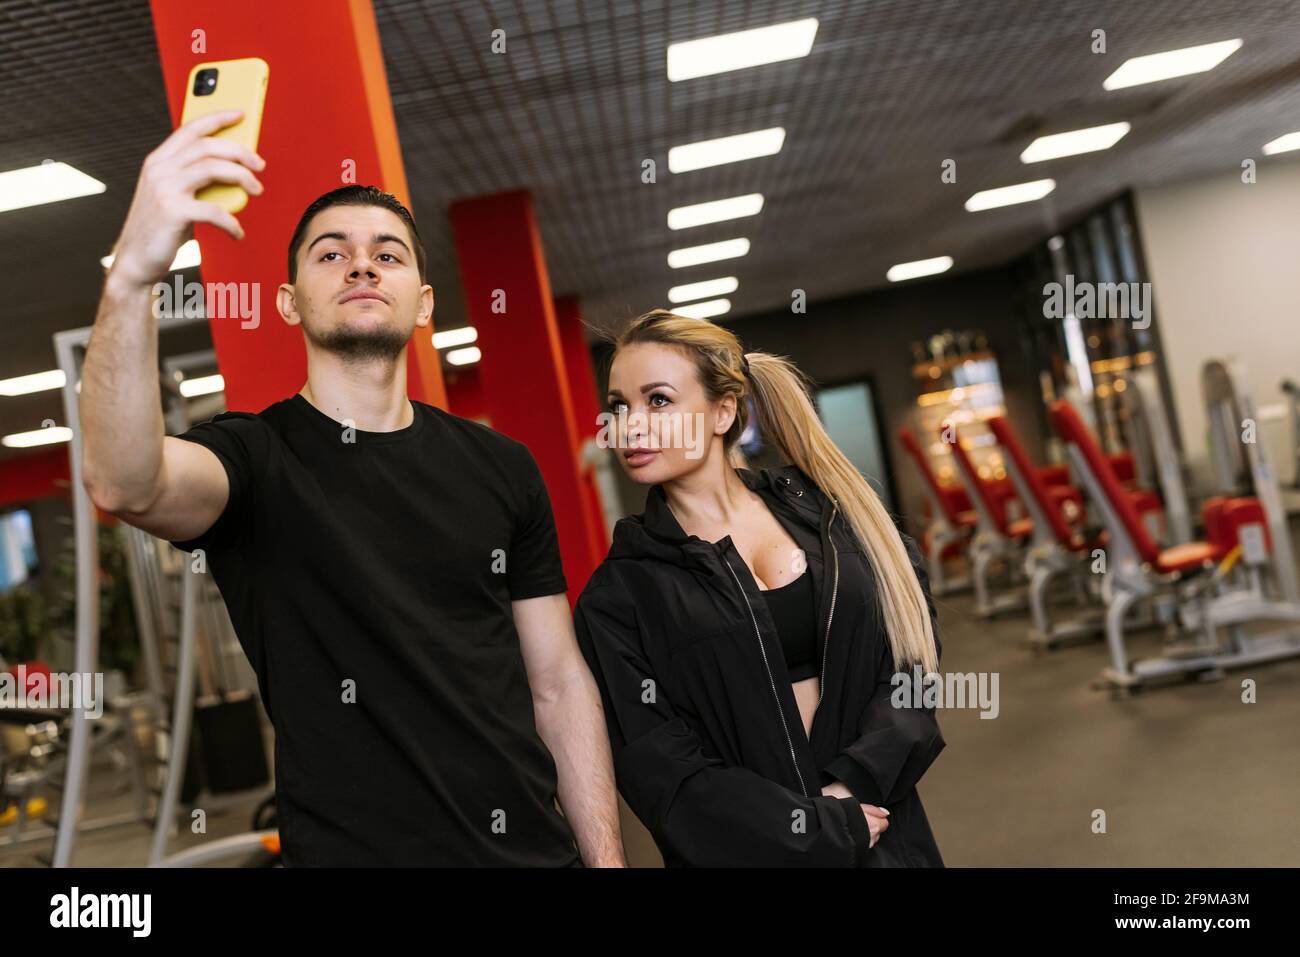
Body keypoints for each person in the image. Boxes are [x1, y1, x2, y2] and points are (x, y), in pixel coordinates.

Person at [79, 110, 624, 867]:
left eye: (387, 254)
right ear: (289, 301)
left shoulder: (503, 465)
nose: (362, 266)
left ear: (425, 304)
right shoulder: (254, 461)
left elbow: (558, 683)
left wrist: (607, 860)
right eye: (331, 254)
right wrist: (134, 272)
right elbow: (123, 480)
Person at [573, 309, 945, 867]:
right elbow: (664, 773)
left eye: (658, 401)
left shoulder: (834, 521)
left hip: (884, 835)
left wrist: (853, 788)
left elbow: (913, 661)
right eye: (620, 405)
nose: (629, 426)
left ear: (723, 411)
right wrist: (809, 828)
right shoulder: (620, 596)